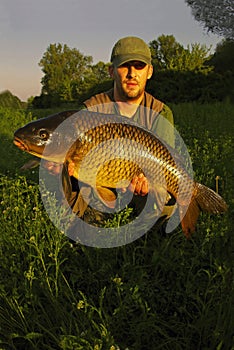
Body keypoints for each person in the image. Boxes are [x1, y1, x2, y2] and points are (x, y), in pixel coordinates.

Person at [45, 36, 176, 228]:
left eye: (139, 66)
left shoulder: (160, 113)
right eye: (124, 66)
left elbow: (167, 163)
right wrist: (61, 171)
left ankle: (149, 235)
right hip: (99, 190)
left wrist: (148, 183)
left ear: (149, 72)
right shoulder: (92, 109)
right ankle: (88, 224)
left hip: (140, 188)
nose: (132, 74)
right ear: (111, 71)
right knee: (65, 178)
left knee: (163, 199)